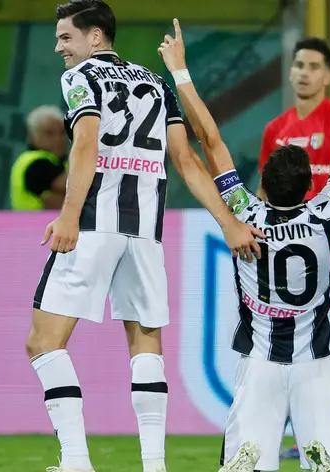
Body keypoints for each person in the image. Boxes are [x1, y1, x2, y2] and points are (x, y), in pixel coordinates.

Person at [26, 3, 263, 472]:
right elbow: (186, 161)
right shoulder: (155, 83)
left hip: (93, 225)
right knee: (145, 345)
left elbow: (85, 143)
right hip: (145, 234)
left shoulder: (80, 78)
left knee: (43, 342)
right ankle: (154, 465)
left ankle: (76, 461)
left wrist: (69, 215)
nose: (58, 48)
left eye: (66, 37)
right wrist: (228, 223)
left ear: (95, 37)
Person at [159, 18, 330, 472]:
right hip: (317, 364)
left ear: (264, 184)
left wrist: (180, 71)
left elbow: (210, 140)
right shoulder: (327, 213)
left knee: (245, 466)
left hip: (260, 365)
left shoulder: (245, 217)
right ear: (310, 185)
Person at [257, 36, 330, 460]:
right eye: (299, 64)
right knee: (302, 347)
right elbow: (264, 194)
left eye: (314, 66)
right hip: (289, 259)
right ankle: (319, 433)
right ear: (290, 71)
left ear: (329, 75)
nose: (304, 73)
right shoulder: (276, 129)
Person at [10, 105, 69, 210]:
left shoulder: (63, 162)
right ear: (32, 136)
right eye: (49, 133)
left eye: (62, 133)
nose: (58, 139)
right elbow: (79, 186)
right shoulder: (35, 163)